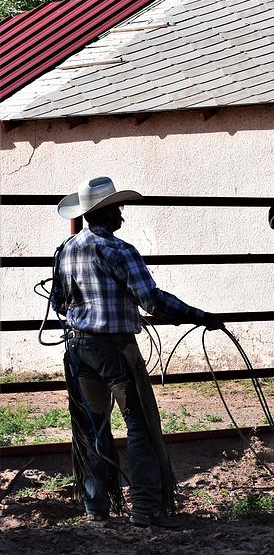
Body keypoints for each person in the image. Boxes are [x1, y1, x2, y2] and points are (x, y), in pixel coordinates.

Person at [51, 176, 223, 528]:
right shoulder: (119, 250)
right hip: (115, 349)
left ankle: (96, 505)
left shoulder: (66, 249)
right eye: (117, 208)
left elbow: (58, 301)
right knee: (140, 424)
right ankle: (145, 508)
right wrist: (199, 316)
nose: (121, 214)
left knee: (92, 426)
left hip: (79, 347)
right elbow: (152, 300)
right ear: (106, 211)